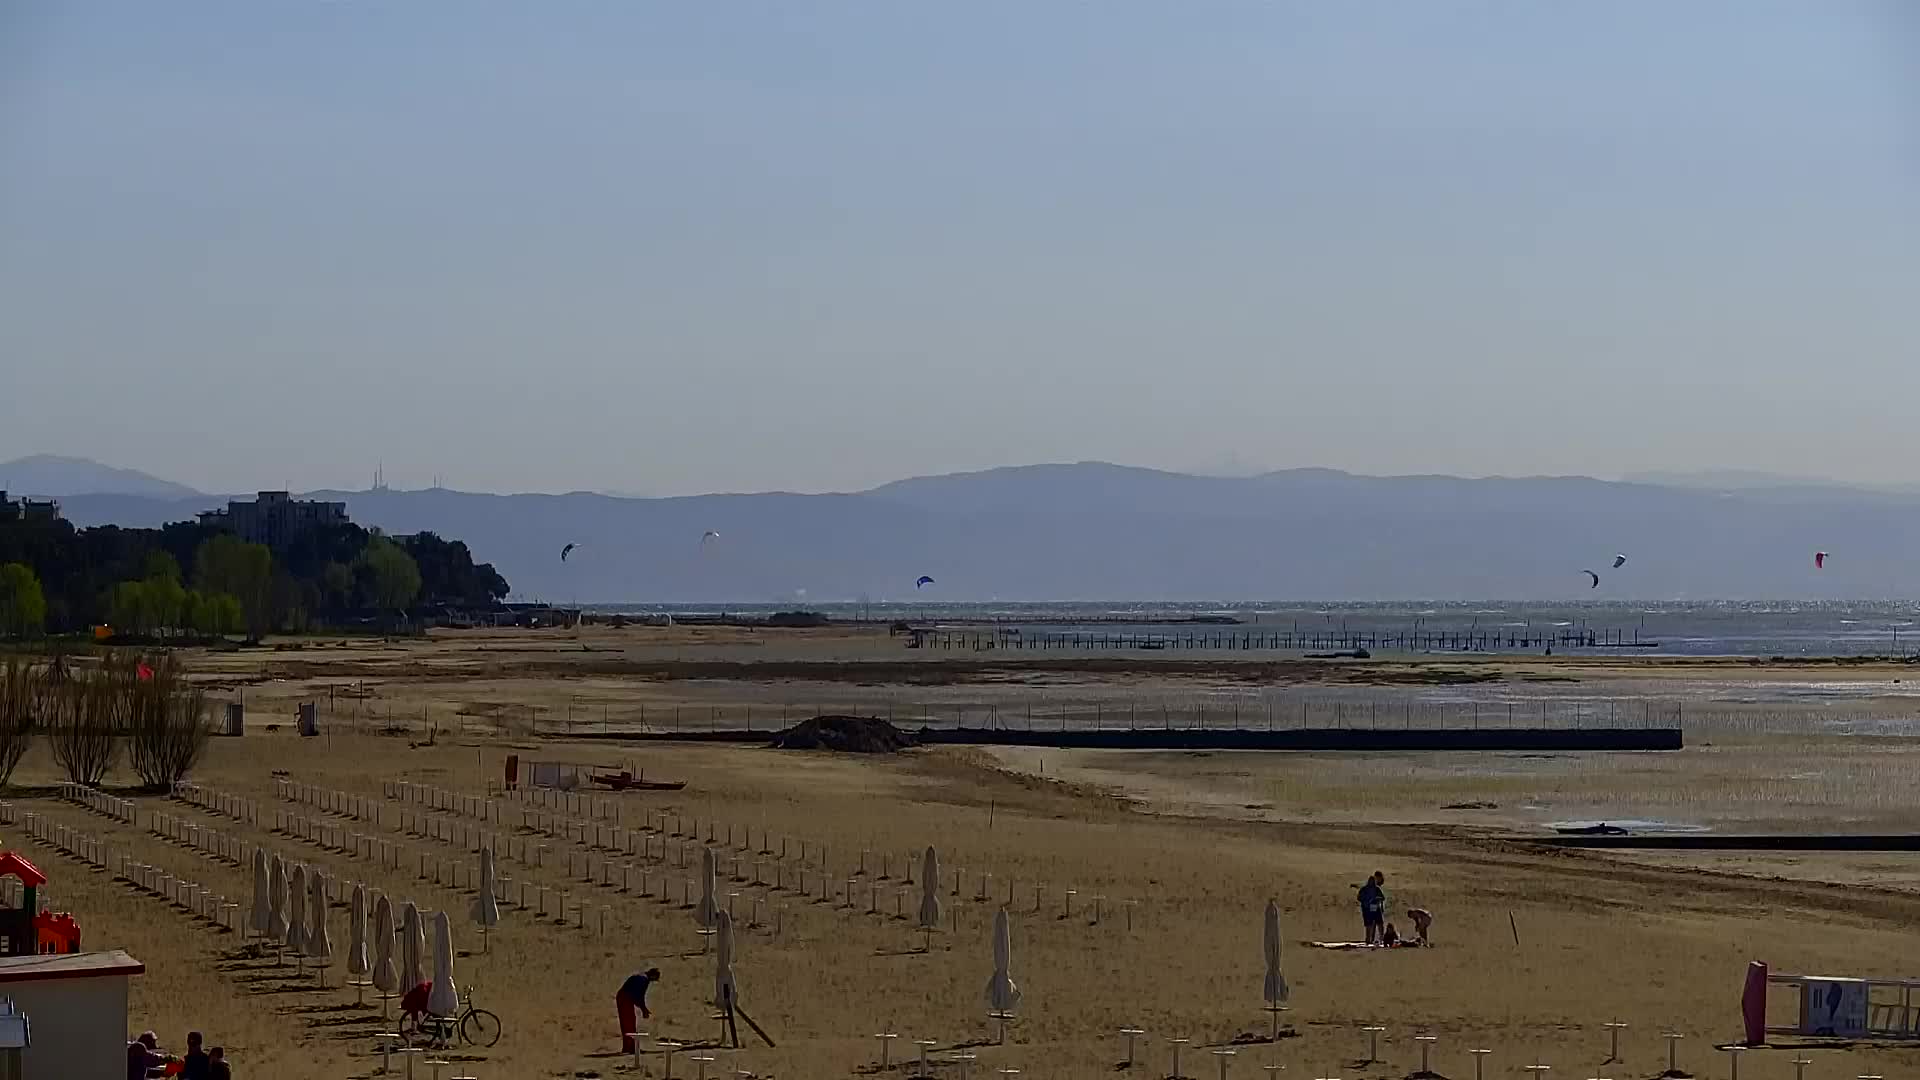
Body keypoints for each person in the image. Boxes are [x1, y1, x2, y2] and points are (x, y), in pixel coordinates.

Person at [617, 967, 661, 1054]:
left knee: (626, 1023)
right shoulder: (643, 980)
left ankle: (628, 1047)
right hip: (625, 998)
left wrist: (643, 1008)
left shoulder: (641, 976)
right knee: (629, 1023)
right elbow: (639, 996)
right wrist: (643, 1009)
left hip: (623, 997)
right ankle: (630, 1048)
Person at [1357, 871, 1386, 945]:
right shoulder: (1364, 889)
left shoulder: (1376, 889)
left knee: (1379, 923)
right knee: (1369, 925)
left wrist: (1377, 899)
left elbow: (1382, 897)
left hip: (1375, 907)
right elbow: (1359, 898)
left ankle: (1381, 939)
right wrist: (1367, 901)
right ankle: (1368, 940)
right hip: (1367, 908)